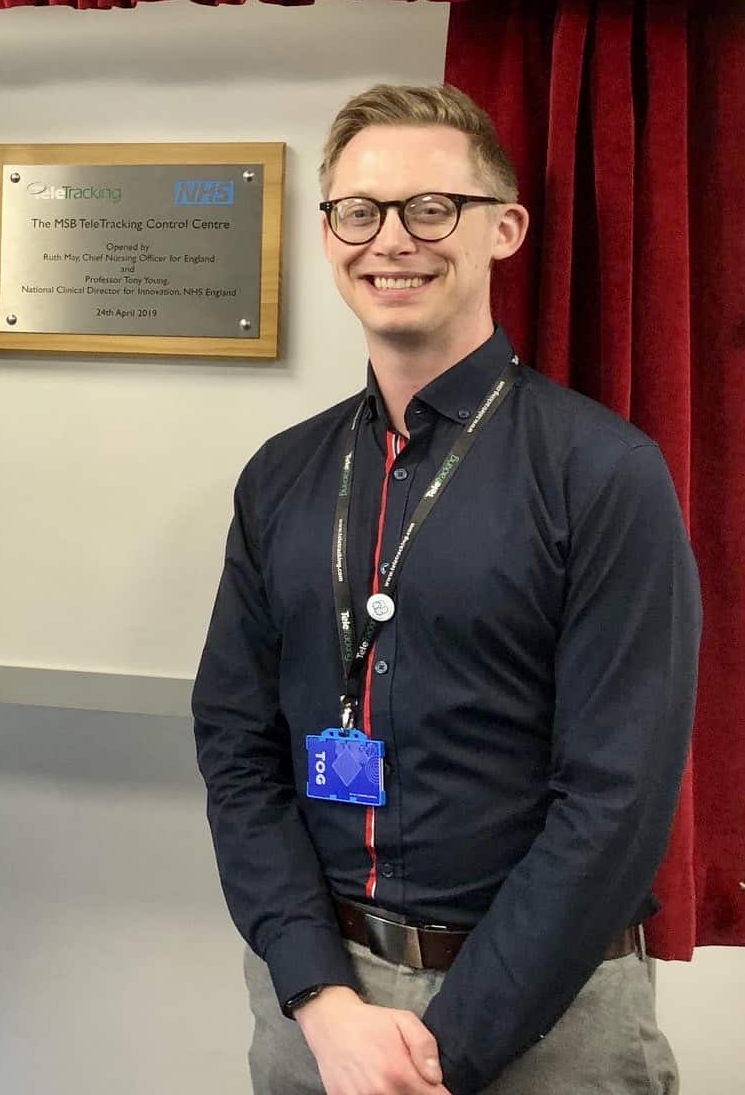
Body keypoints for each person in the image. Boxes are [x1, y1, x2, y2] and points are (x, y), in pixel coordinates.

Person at [192, 84, 701, 1095]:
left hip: (546, 1018)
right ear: (327, 231)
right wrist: (321, 999)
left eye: (431, 208)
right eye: (358, 211)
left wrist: (442, 1051)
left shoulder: (601, 472)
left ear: (502, 229)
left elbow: (616, 797)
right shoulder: (280, 477)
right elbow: (235, 751)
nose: (391, 241)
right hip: (317, 1011)